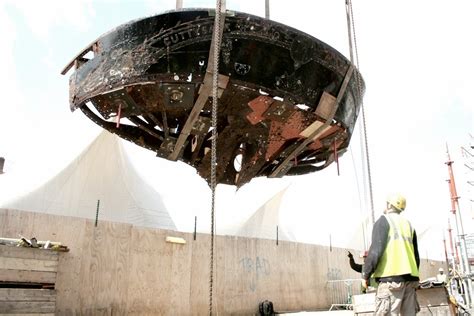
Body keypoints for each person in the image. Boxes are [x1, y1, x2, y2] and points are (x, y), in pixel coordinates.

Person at [362, 193, 420, 315]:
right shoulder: (409, 225)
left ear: (389, 205)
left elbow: (375, 251)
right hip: (410, 281)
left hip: (391, 281)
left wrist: (365, 275)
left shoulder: (384, 221)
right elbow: (416, 256)